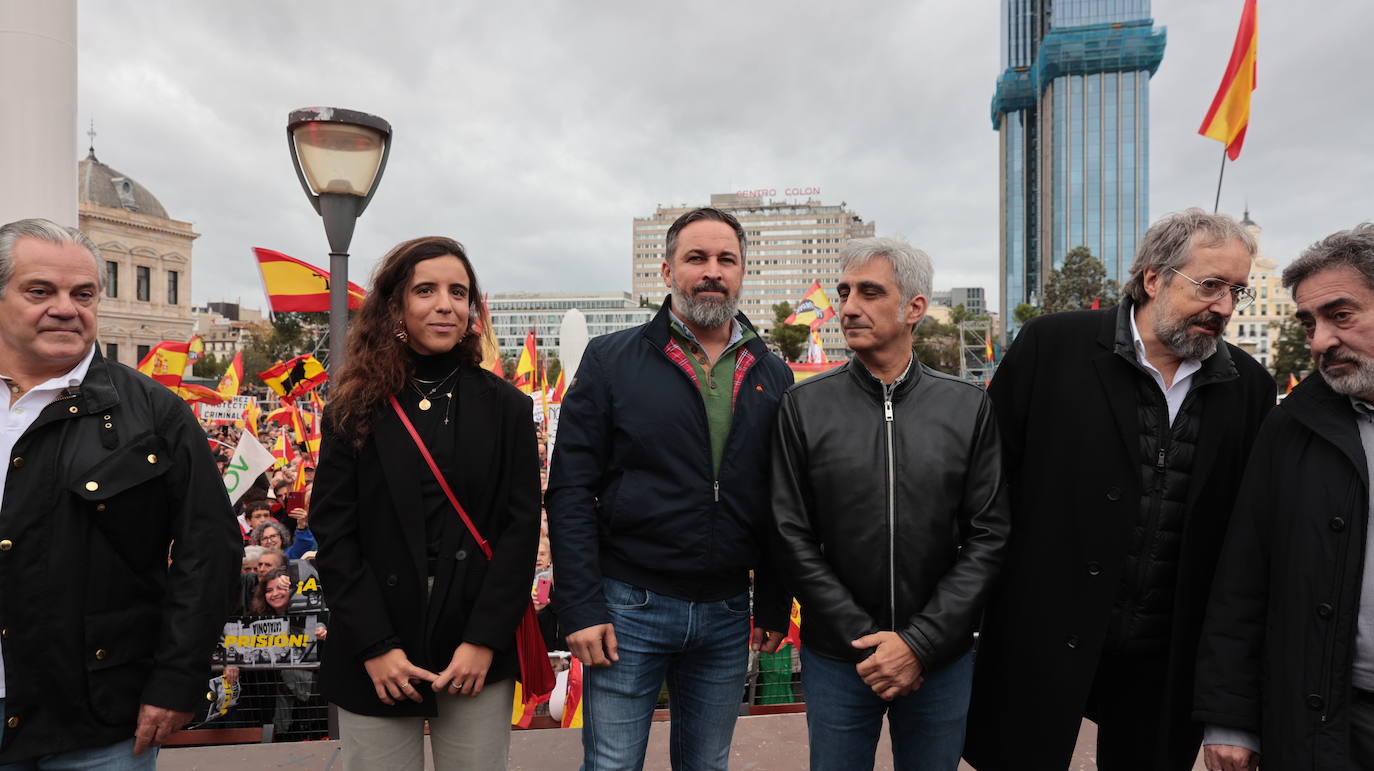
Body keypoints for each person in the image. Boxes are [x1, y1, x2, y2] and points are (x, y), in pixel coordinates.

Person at [964, 209, 1277, 770]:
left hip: (1165, 658)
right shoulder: (1051, 347)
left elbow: (1246, 540)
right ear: (1154, 278)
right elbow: (985, 489)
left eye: (1237, 292)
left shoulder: (1249, 386)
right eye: (1210, 286)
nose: (1225, 307)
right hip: (1040, 638)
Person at [547, 206, 794, 769]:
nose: (712, 270)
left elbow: (780, 497)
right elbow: (570, 490)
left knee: (707, 766)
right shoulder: (611, 360)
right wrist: (580, 607)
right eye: (696, 258)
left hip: (729, 611)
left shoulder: (772, 373)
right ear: (666, 271)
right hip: (627, 606)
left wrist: (774, 602)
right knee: (612, 765)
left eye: (726, 259)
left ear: (742, 271)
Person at [0, 218, 240, 764]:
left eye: (83, 293)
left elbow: (209, 554)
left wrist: (178, 680)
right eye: (40, 291)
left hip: (99, 716)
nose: (66, 307)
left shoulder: (157, 413)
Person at [773, 238, 1010, 769]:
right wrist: (868, 640)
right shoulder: (803, 405)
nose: (849, 306)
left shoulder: (968, 407)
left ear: (915, 308)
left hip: (940, 659)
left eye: (870, 292)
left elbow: (988, 536)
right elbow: (790, 534)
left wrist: (919, 643)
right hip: (839, 658)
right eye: (844, 292)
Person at [311, 236, 540, 770]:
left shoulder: (507, 407)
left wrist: (483, 640)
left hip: (474, 635)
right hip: (378, 637)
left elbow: (520, 529)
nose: (445, 304)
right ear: (395, 306)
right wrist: (375, 646)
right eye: (426, 290)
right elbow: (335, 535)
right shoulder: (354, 407)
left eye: (458, 292)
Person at [1195, 223, 1374, 770]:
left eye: (1340, 316)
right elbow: (1244, 577)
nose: (1319, 341)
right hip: (1329, 718)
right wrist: (1231, 717)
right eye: (1309, 322)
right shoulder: (1291, 427)